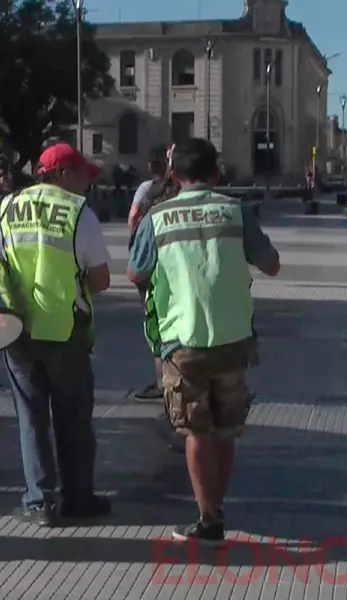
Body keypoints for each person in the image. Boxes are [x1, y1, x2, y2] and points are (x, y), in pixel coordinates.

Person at [127, 138, 280, 544]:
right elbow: (272, 265)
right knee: (226, 429)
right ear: (216, 173)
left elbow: (136, 272)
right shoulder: (236, 211)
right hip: (234, 337)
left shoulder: (157, 217)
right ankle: (217, 506)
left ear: (174, 175)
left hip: (183, 340)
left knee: (196, 431)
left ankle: (207, 518)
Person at [0, 142, 113, 527]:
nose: (88, 184)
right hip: (66, 328)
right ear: (64, 174)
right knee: (74, 418)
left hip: (17, 329)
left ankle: (39, 502)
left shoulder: (8, 206)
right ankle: (77, 498)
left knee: (32, 418)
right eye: (84, 175)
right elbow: (101, 279)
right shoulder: (79, 212)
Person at [128, 145, 176, 401]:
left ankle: (164, 382)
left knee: (157, 326)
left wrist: (137, 243)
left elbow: (133, 216)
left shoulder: (149, 192)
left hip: (155, 272)